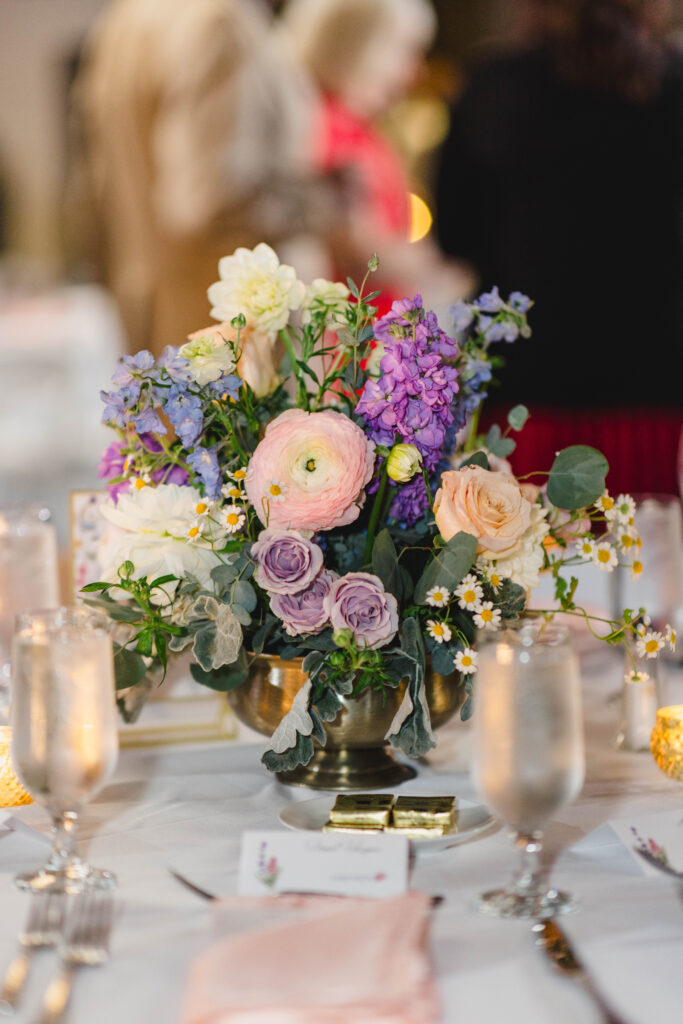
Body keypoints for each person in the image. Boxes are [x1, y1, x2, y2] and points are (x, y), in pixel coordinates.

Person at [436, 0, 683, 493]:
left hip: (529, 403)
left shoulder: (491, 88)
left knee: (532, 562)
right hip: (656, 396)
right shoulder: (674, 88)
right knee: (655, 561)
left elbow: (455, 236)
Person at [76, 0, 319, 357]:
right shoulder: (219, 25)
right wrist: (323, 200)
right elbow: (210, 198)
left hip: (156, 320)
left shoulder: (123, 21)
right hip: (235, 344)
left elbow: (92, 192)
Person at [279, 0, 473, 314]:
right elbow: (357, 249)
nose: (416, 71)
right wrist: (433, 269)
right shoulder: (326, 129)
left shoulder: (357, 129)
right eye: (407, 52)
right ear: (361, 44)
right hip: (345, 343)